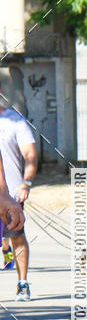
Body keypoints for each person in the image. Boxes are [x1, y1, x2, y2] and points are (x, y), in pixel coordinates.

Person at [0, 86, 38, 300]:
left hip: (10, 195)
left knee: (16, 236)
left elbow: (30, 155)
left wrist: (25, 183)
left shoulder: (15, 121)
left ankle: (22, 283)